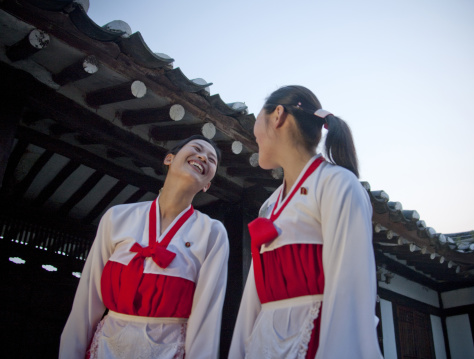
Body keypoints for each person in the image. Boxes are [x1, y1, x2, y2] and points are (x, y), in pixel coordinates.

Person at [228, 86, 382, 358]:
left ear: (277, 115)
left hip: (315, 342)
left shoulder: (338, 184)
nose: (254, 134)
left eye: (257, 119)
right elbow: (253, 300)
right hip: (263, 345)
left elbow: (350, 294)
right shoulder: (269, 205)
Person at [60, 135, 229, 359]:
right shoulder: (117, 217)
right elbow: (86, 304)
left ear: (207, 185)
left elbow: (207, 322)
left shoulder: (212, 233)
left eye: (211, 159)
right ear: (169, 158)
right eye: (196, 149)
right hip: (106, 349)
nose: (202, 157)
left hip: (168, 352)